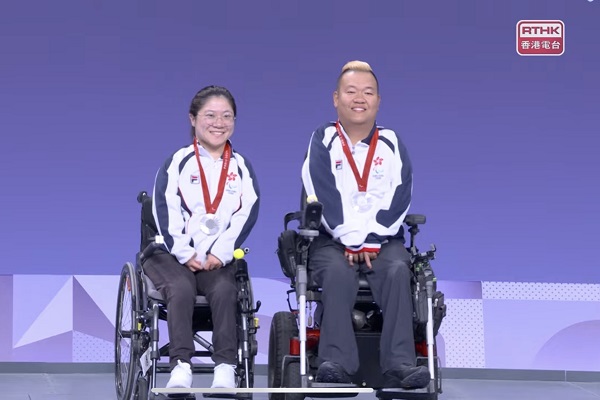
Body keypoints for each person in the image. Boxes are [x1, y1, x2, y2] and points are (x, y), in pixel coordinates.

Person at [301, 61, 430, 389]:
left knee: (400, 269)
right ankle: (336, 365)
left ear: (378, 100)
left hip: (382, 241)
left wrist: (372, 237)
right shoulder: (323, 138)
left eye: (368, 92)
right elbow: (321, 190)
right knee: (337, 271)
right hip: (333, 239)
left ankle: (399, 365)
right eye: (351, 92)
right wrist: (352, 238)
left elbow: (402, 194)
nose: (360, 98)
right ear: (336, 98)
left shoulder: (391, 142)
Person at [143, 85, 260, 389]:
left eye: (226, 116)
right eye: (210, 115)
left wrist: (220, 253)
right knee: (180, 287)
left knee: (224, 290)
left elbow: (246, 212)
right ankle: (181, 366)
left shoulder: (241, 167)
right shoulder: (178, 161)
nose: (218, 122)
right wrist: (185, 253)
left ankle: (225, 368)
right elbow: (163, 208)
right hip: (170, 254)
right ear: (193, 119)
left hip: (215, 258)